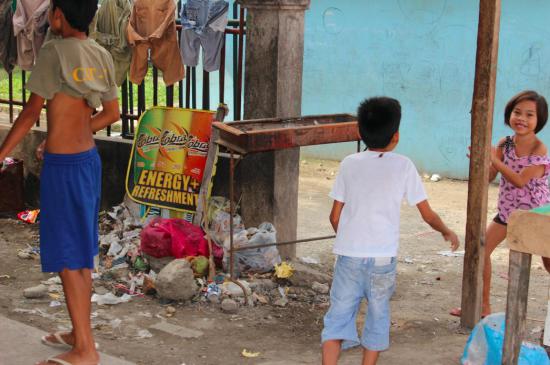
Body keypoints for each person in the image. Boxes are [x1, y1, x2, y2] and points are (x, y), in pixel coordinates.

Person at [0, 1, 120, 364]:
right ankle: (79, 332)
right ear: (93, 17)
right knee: (81, 254)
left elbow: (32, 112)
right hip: (87, 163)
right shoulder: (99, 53)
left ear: (57, 17)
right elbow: (111, 113)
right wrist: (69, 135)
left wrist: (1, 151)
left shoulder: (53, 52)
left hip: (64, 169)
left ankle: (85, 349)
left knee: (69, 258)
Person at [321, 96, 460, 365]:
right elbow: (427, 214)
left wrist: (351, 239)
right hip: (383, 260)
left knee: (337, 316)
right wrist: (446, 231)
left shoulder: (349, 163)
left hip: (348, 257)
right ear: (395, 136)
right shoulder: (404, 166)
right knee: (378, 314)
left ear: (359, 132)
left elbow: (334, 216)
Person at [450, 90, 550, 319]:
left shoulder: (539, 149)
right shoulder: (504, 144)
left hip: (535, 215)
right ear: (509, 114)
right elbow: (490, 177)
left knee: (548, 263)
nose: (521, 118)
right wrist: (481, 160)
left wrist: (492, 158)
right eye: (517, 112)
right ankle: (482, 306)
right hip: (508, 213)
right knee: (481, 251)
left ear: (539, 120)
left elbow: (520, 180)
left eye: (529, 114)